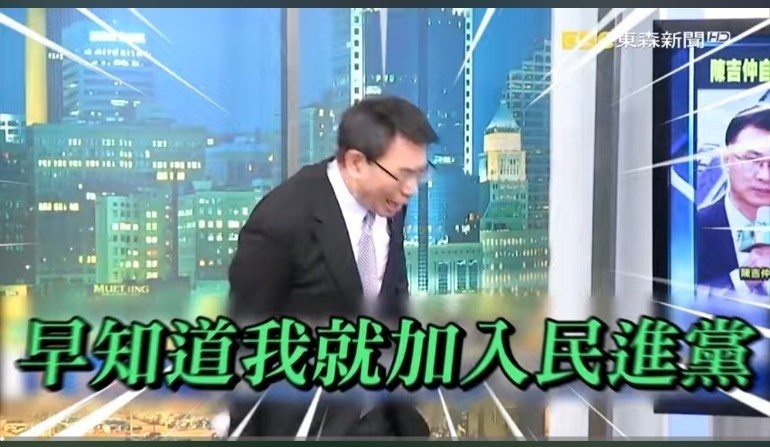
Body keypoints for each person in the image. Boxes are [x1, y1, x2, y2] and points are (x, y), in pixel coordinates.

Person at [226, 95, 438, 438]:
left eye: (419, 174)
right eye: (403, 175)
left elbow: (392, 297)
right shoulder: (281, 220)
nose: (411, 189)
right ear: (355, 163)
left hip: (384, 419)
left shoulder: (390, 203)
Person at [697, 104, 770, 294]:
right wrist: (746, 277)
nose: (765, 176)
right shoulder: (692, 230)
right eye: (752, 160)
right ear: (726, 159)